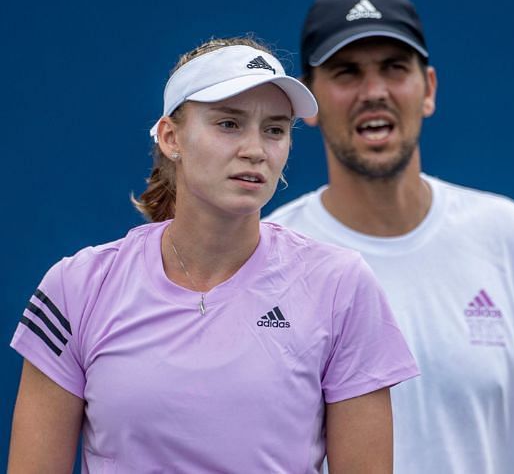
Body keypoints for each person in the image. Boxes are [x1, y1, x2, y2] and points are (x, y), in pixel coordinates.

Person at [9, 37, 420, 473]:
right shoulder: (76, 287)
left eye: (275, 129)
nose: (255, 150)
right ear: (171, 137)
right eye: (228, 124)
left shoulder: (340, 286)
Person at [266, 0, 514, 473]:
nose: (373, 92)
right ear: (307, 103)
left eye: (394, 69)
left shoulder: (513, 237)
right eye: (346, 72)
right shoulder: (267, 258)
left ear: (429, 89)